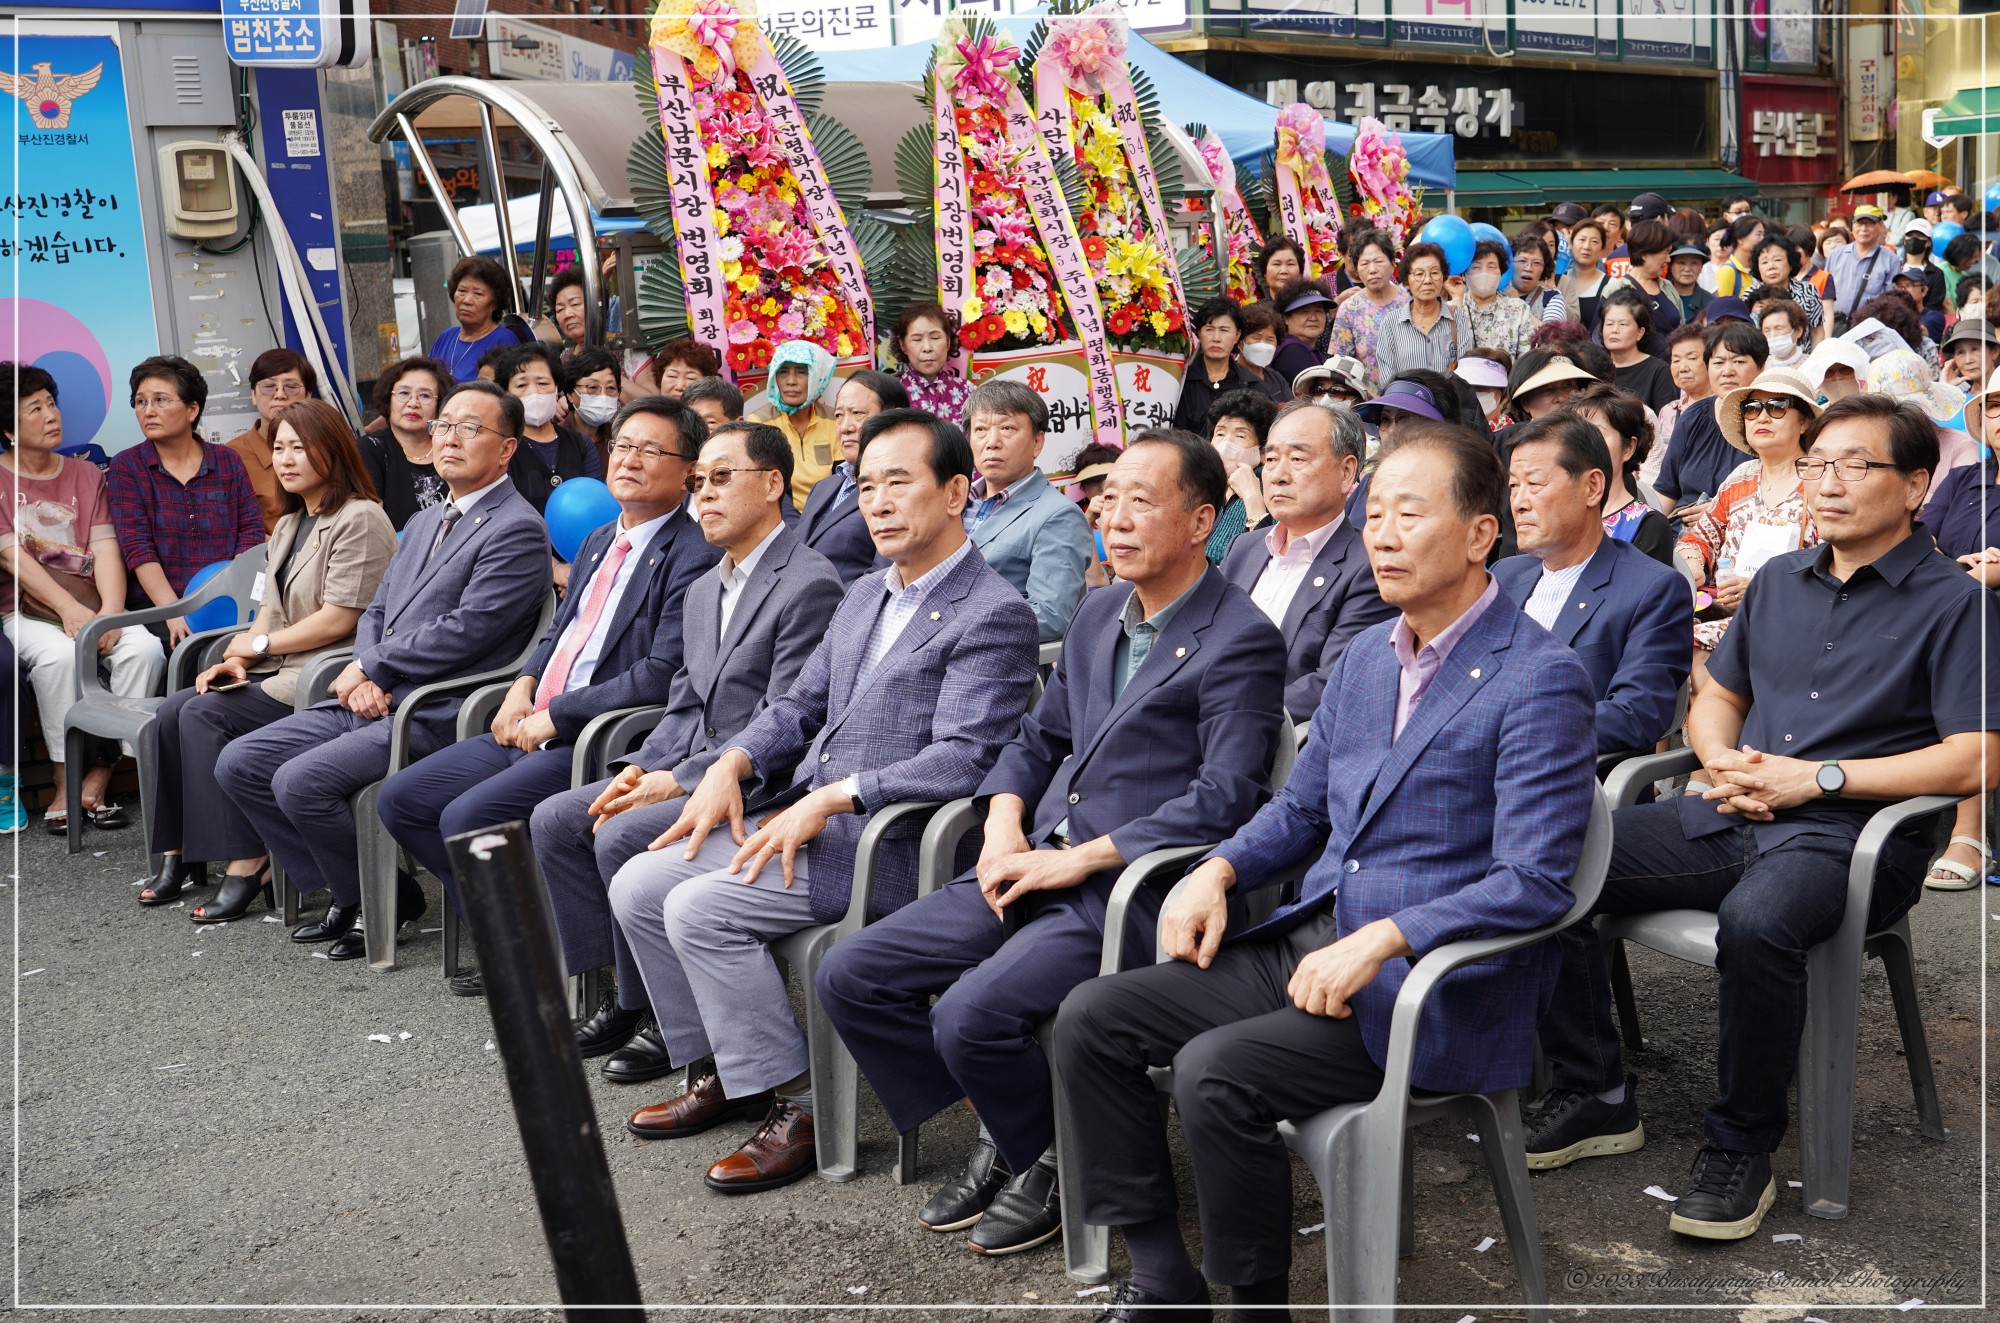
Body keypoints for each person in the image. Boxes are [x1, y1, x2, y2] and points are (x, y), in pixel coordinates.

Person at [1050, 422, 1597, 1321]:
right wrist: (1217, 869)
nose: (1381, 534)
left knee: (1214, 1071)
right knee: (1093, 1016)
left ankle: (1257, 1307)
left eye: (1408, 514)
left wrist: (1386, 937)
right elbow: (1302, 810)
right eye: (1374, 512)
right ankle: (1164, 1278)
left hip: (1423, 983)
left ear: (1478, 533)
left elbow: (1536, 877)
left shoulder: (1539, 676)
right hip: (1313, 943)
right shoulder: (1367, 660)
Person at [1531, 391, 1996, 1238]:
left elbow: (1976, 755)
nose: (1828, 482)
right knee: (1554, 854)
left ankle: (1741, 1144)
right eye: (1817, 463)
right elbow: (1717, 696)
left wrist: (1812, 779)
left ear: (1917, 484)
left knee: (1758, 922)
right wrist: (1721, 761)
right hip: (1734, 808)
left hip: (1850, 836)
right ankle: (1595, 1089)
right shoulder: (1781, 579)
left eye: (1856, 464)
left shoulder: (1955, 602)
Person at [818, 430, 1286, 1256]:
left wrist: (1079, 857)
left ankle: (1054, 1161)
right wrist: (1002, 818)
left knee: (969, 1015)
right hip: (1035, 858)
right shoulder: (1101, 610)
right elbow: (1038, 739)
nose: (1115, 517)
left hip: (1133, 884)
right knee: (853, 972)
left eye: (1144, 500)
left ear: (1201, 519)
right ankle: (1017, 1126)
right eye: (1109, 500)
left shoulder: (1239, 636)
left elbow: (1225, 796)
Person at [606, 408, 1040, 1192]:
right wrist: (731, 762)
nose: (876, 502)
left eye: (898, 482)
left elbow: (965, 758)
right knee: (640, 879)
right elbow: (798, 708)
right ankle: (725, 1069)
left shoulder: (993, 612)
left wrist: (839, 794)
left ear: (955, 493)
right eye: (866, 485)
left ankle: (799, 1106)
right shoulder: (866, 592)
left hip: (891, 846)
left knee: (699, 909)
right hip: (812, 826)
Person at [530, 421, 846, 1073]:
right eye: (698, 481)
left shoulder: (808, 580)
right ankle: (630, 995)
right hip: (687, 763)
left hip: (759, 780)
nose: (703, 494)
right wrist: (645, 765)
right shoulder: (707, 587)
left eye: (721, 478)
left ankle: (684, 1033)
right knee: (560, 817)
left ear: (773, 483)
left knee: (620, 834)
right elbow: (683, 701)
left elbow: (786, 718)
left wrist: (678, 780)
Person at [377, 396, 721, 992]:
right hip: (534, 718)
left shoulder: (693, 554)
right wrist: (521, 687)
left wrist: (556, 717)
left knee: (466, 816)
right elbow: (558, 634)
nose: (630, 460)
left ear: (687, 470)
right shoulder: (595, 540)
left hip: (597, 735)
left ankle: (535, 952)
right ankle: (521, 933)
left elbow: (662, 671)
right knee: (403, 800)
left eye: (650, 449)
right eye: (623, 446)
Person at [215, 381, 553, 961]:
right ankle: (373, 890)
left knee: (301, 781)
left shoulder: (516, 528)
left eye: (469, 428)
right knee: (241, 762)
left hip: (437, 708)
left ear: (506, 449)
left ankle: (366, 901)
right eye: (444, 426)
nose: (448, 438)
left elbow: (471, 630)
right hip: (377, 693)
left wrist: (374, 666)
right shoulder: (424, 521)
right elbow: (377, 609)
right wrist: (367, 668)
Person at [144, 400, 396, 913]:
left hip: (326, 673)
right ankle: (180, 852)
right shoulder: (287, 523)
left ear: (334, 450)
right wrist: (239, 659)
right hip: (278, 668)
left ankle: (248, 857)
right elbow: (269, 609)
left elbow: (339, 619)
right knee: (172, 710)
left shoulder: (360, 517)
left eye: (300, 447)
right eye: (279, 447)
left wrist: (258, 646)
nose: (285, 458)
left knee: (205, 714)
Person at [1, 363, 164, 834]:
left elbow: (107, 548)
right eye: (36, 408)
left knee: (143, 648)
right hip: (27, 611)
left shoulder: (87, 474)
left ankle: (102, 770)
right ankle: (63, 779)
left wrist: (110, 614)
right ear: (10, 430)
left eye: (52, 403)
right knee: (58, 660)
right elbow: (16, 560)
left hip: (93, 604)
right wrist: (70, 611)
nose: (52, 414)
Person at [1494, 411, 1691, 755]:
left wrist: (1518, 728)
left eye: (1535, 484)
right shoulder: (1503, 576)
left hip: (1567, 777)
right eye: (1513, 486)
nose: (1519, 502)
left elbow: (1636, 714)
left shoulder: (1653, 589)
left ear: (1592, 487)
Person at [1218, 400, 1394, 721]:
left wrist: (1233, 716)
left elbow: (1334, 683)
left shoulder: (1370, 566)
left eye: (1298, 459)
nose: (1278, 475)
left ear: (1346, 472)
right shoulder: (1243, 548)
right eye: (1270, 459)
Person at [1677, 366, 1823, 687]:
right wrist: (1694, 561)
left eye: (1777, 407)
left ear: (1804, 421)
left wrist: (1762, 586)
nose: (1762, 417)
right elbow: (1697, 537)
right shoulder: (1740, 478)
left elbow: (1835, 563)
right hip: (1726, 611)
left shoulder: (1821, 480)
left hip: (1794, 615)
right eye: (1752, 409)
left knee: (1693, 644)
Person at [107, 356, 266, 648]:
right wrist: (173, 613)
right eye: (141, 402)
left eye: (160, 400)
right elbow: (137, 547)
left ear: (192, 409)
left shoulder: (227, 460)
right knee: (187, 653)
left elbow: (251, 532)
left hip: (228, 602)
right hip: (159, 607)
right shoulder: (127, 466)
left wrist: (235, 596)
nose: (148, 411)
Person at [1919, 367, 2000, 888]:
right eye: (1993, 408)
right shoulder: (1966, 478)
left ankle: (1969, 832)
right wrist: (1962, 570)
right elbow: (1918, 538)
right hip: (1955, 600)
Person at [962, 381, 1093, 642]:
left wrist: (954, 630)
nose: (992, 442)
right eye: (980, 429)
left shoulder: (1058, 515)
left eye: (1007, 428)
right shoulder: (952, 500)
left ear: (1037, 441)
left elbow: (1049, 617)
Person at [1654, 322, 1770, 517]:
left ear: (1761, 367)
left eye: (1739, 362)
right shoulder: (1692, 417)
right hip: (1683, 530)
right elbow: (1666, 490)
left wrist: (1722, 512)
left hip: (1744, 530)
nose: (1727, 371)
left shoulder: (1771, 420)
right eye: (1718, 363)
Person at [800, 371, 904, 583]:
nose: (845, 427)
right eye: (838, 415)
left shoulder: (900, 488)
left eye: (857, 413)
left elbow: (885, 576)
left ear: (894, 417)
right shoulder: (823, 487)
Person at [1564, 384, 1676, 563]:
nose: (1582, 444)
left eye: (1596, 433)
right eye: (1575, 434)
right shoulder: (1556, 513)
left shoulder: (1648, 526)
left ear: (1628, 447)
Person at [497, 342, 601, 522]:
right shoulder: (502, 449)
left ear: (557, 388)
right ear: (507, 394)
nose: (534, 392)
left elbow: (595, 503)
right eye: (521, 385)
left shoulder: (581, 445)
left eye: (543, 383)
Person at [227, 348, 318, 532]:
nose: (280, 394)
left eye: (291, 387)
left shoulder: (326, 446)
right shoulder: (230, 457)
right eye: (269, 386)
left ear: (308, 395)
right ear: (253, 395)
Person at [360, 357, 453, 530]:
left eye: (424, 395)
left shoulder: (451, 446)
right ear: (389, 400)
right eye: (403, 393)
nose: (413, 403)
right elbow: (371, 525)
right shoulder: (370, 450)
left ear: (440, 405)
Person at [748, 340, 839, 511]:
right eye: (783, 372)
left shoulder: (834, 420)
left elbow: (842, 479)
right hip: (781, 519)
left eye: (801, 372)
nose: (791, 381)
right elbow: (764, 484)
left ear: (817, 377)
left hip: (828, 517)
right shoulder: (759, 422)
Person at [1376, 242, 1468, 386]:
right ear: (1406, 281)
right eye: (1419, 274)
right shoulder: (1391, 323)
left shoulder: (1457, 317)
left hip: (1449, 406)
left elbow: (1465, 372)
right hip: (1407, 406)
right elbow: (1388, 381)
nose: (1427, 280)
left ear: (1443, 277)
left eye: (1435, 273)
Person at [1201, 389, 1278, 562]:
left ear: (1263, 451)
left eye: (1240, 435)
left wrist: (1252, 496)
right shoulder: (1201, 486)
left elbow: (1270, 557)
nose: (1226, 443)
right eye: (1220, 434)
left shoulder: (1275, 490)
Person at [428, 255, 527, 384]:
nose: (467, 300)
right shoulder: (446, 337)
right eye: (462, 291)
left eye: (478, 294)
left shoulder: (504, 340)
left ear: (495, 303)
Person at [1329, 228, 1408, 391]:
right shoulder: (1349, 309)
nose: (1372, 270)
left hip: (1414, 395)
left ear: (1392, 263)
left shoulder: (1411, 301)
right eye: (1364, 263)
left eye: (1378, 261)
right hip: (1369, 404)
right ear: (1357, 269)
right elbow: (1341, 364)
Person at [1172, 298, 1260, 435]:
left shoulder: (1252, 385)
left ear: (1237, 335)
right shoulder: (1182, 382)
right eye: (1209, 329)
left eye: (1224, 330)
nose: (1216, 338)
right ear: (1199, 333)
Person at [890, 302, 976, 423]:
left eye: (935, 338)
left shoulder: (968, 391)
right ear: (902, 344)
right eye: (917, 339)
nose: (927, 347)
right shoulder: (890, 394)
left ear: (948, 341)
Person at [1601, 220, 1683, 342]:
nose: (1668, 259)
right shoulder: (1616, 288)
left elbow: (1682, 327)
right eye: (1665, 253)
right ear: (1644, 254)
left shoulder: (1667, 287)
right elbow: (1601, 336)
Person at [1650, 322, 1712, 483]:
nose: (1682, 368)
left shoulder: (1725, 409)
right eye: (1676, 360)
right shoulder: (1668, 410)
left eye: (1692, 358)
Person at [1457, 239, 1533, 362]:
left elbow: (1526, 359)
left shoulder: (1519, 309)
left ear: (1501, 274)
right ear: (1464, 275)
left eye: (1491, 266)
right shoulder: (1452, 308)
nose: (1484, 273)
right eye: (1476, 266)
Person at [1599, 290, 1676, 410]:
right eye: (1609, 324)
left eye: (1623, 324)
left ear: (1640, 332)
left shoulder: (1658, 370)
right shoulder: (1595, 367)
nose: (1614, 330)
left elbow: (1664, 420)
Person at [1826, 206, 1898, 329]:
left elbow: (1891, 301)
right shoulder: (1836, 255)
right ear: (1852, 226)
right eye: (1859, 223)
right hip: (1835, 325)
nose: (1863, 229)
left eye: (1869, 224)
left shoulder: (1890, 259)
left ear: (1881, 226)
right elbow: (1825, 293)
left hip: (1869, 328)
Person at [1751, 234, 1827, 344]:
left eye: (1777, 260)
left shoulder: (1808, 291)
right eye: (1764, 262)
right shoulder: (1752, 294)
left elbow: (1817, 332)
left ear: (1790, 263)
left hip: (1803, 358)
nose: (1771, 266)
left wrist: (1812, 360)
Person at [566, 346, 624, 471]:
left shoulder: (620, 440)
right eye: (592, 387)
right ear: (570, 394)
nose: (603, 395)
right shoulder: (555, 439)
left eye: (611, 388)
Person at [1270, 283, 1334, 384]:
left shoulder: (1304, 347)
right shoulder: (1292, 351)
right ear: (1286, 318)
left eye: (1318, 310)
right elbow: (1311, 393)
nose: (1313, 318)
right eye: (1304, 311)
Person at [1232, 303, 1291, 403]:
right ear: (1239, 341)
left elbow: (1292, 410)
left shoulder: (1276, 378)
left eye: (1270, 339)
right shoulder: (1231, 379)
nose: (1263, 345)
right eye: (1256, 338)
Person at [1557, 220, 1610, 330]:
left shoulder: (1611, 285)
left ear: (1602, 249)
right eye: (1582, 240)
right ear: (1571, 244)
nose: (1587, 246)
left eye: (1594, 242)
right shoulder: (1558, 281)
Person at [1510, 231, 1567, 323]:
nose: (1528, 268)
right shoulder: (1495, 295)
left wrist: (1518, 306)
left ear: (1544, 268)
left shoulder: (1551, 297)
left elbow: (1552, 335)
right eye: (1522, 261)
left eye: (1536, 263)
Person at [1709, 215, 1764, 301]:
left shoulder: (1760, 269)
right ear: (1740, 239)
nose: (1762, 239)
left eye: (1763, 234)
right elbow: (1722, 308)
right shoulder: (1727, 272)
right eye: (1758, 234)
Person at [1939, 316, 2000, 393]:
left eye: (1974, 349)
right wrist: (1944, 389)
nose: (1968, 360)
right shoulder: (1960, 398)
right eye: (1960, 352)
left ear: (1995, 351)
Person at [1801, 336, 1868, 405]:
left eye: (1846, 370)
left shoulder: (1875, 410)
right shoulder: (1816, 414)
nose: (1837, 377)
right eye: (1828, 372)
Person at [1455, 352, 1512, 427]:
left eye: (1481, 386)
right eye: (1465, 384)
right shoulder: (1448, 432)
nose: (1472, 391)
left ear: (1503, 391)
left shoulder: (1514, 436)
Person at [1666, 243, 1714, 326]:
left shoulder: (1710, 302)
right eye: (1681, 262)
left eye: (1694, 263)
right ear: (1671, 266)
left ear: (1701, 267)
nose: (1687, 269)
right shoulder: (1659, 295)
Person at [1756, 299, 1810, 371]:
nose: (1772, 335)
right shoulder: (1760, 367)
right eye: (1767, 330)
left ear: (1798, 331)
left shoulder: (1811, 364)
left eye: (1778, 329)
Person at [546, 266, 590, 354]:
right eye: (560, 309)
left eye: (575, 304)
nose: (568, 314)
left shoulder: (622, 346)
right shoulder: (565, 359)